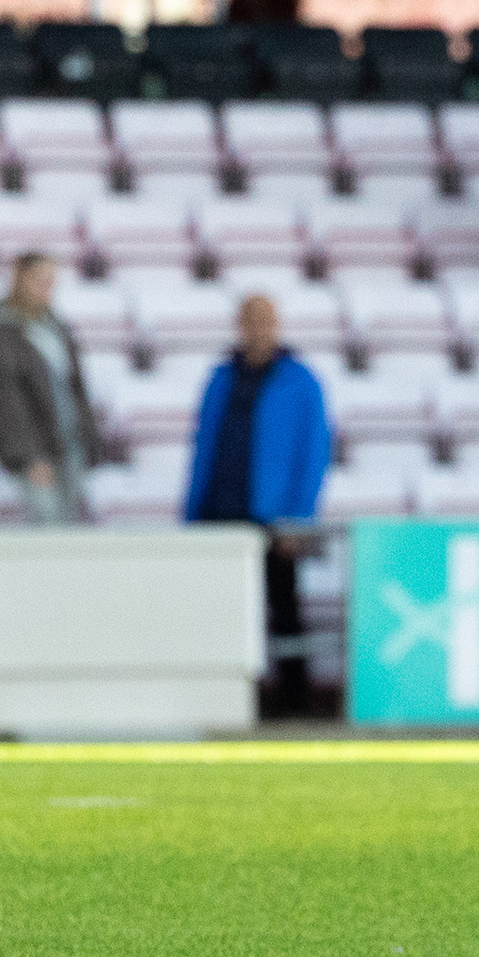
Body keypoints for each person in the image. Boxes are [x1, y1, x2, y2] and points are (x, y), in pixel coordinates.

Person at [181, 291, 335, 714]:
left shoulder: (300, 381)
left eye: (265, 320)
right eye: (250, 319)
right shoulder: (221, 377)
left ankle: (294, 700)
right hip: (219, 510)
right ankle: (223, 697)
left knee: (283, 607)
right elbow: (205, 446)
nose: (258, 328)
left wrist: (298, 518)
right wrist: (193, 507)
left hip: (271, 515)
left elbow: (313, 454)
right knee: (218, 610)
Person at [0, 251, 98, 527]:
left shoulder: (55, 327)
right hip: (37, 449)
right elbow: (5, 403)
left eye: (51, 282)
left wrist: (88, 437)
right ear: (21, 280)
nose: (47, 289)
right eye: (40, 281)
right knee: (47, 525)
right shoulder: (2, 334)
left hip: (69, 442)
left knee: (68, 525)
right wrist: (28, 456)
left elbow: (75, 387)